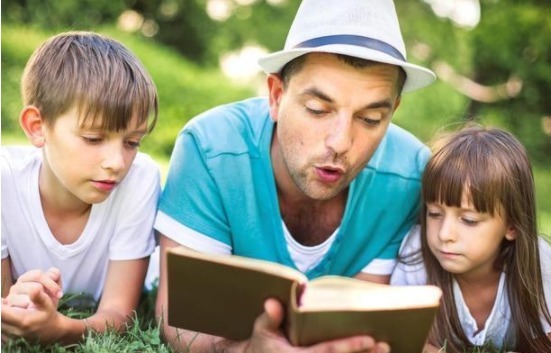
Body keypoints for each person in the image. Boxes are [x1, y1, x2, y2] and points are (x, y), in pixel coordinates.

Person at [154, 0, 436, 352]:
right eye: (318, 110)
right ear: (276, 95)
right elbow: (180, 321)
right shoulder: (212, 149)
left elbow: (375, 321)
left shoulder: (408, 177)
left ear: (393, 112)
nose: (341, 143)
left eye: (370, 119)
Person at [1, 31, 160, 345]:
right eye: (93, 139)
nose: (116, 162)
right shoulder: (3, 181)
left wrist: (59, 329)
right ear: (37, 126)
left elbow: (118, 313)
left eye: (132, 142)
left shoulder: (139, 180)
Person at [391, 124, 551, 352]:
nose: (444, 234)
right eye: (435, 214)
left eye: (468, 220)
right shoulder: (416, 255)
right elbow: (408, 343)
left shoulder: (539, 265)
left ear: (512, 225)